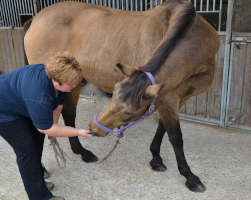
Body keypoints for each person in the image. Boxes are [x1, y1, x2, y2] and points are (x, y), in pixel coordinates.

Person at [0, 52, 93, 200]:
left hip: (22, 104)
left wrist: (54, 125)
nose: (75, 86)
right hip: (4, 112)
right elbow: (45, 127)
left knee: (37, 141)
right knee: (26, 151)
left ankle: (37, 182)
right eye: (71, 84)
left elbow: (58, 104)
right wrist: (78, 132)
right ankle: (40, 196)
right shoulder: (40, 95)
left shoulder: (63, 81)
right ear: (55, 81)